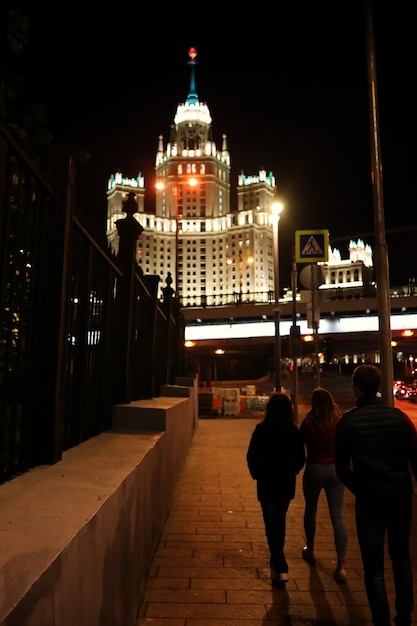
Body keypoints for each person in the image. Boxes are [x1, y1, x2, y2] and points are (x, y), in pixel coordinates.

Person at [335, 364, 417, 626]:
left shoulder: (347, 422)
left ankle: (380, 620)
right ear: (379, 386)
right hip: (400, 497)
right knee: (401, 556)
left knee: (373, 566)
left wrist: (360, 488)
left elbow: (341, 467)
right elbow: (415, 459)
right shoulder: (399, 418)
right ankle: (404, 615)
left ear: (356, 388)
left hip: (369, 500)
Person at [246, 393, 306, 587]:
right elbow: (301, 457)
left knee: (271, 523)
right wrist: (292, 470)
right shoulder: (293, 431)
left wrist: (257, 474)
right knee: (279, 520)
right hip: (285, 483)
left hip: (266, 483)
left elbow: (251, 455)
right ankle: (278, 563)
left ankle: (280, 566)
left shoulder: (261, 430)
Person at [299, 387, 348, 583]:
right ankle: (341, 565)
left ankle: (310, 549)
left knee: (311, 509)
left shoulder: (309, 422)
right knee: (337, 515)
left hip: (314, 468)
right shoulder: (339, 421)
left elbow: (298, 445)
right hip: (335, 469)